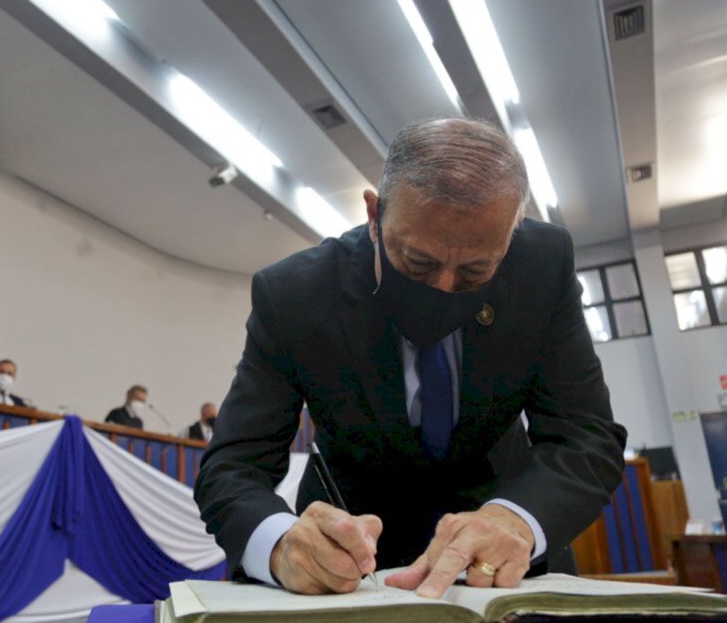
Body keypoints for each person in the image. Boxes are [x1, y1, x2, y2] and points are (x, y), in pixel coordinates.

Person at [194, 118, 627, 599]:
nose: (442, 288)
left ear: (512, 235)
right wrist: (278, 544)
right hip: (347, 571)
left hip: (502, 560)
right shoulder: (295, 295)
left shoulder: (542, 266)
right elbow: (233, 465)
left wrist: (518, 520)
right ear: (374, 216)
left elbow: (585, 434)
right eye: (418, 262)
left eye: (475, 270)